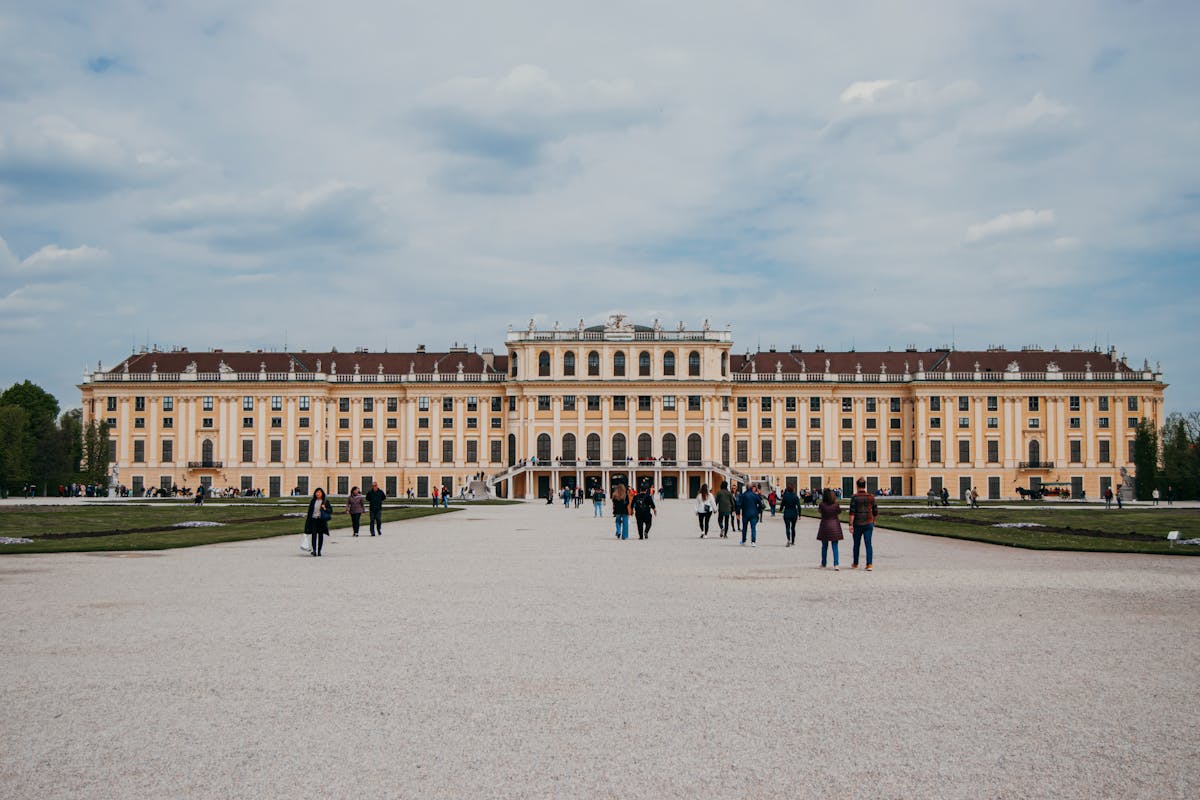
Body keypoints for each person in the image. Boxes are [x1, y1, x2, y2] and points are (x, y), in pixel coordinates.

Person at [848, 478, 878, 570]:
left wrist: (850, 524)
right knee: (868, 544)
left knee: (856, 544)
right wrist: (874, 520)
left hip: (857, 523)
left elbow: (852, 512)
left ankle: (855, 563)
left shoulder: (854, 497)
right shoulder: (871, 497)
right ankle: (869, 564)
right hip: (868, 522)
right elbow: (875, 510)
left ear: (857, 486)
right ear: (865, 486)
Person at [817, 488, 843, 569]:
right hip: (835, 526)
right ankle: (836, 564)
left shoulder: (822, 505)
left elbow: (820, 512)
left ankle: (824, 563)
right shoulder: (836, 505)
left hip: (825, 526)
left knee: (824, 546)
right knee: (835, 546)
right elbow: (839, 512)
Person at [305, 488, 332, 557]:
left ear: (322, 493)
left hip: (321, 520)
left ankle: (319, 551)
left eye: (319, 492)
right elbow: (310, 512)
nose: (318, 493)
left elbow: (330, 511)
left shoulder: (325, 501)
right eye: (317, 492)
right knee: (314, 535)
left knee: (320, 535)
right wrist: (308, 521)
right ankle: (314, 550)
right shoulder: (313, 501)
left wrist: (325, 508)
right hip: (314, 520)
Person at [780, 482, 800, 547]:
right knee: (793, 528)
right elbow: (799, 506)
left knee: (787, 527)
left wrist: (780, 509)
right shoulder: (795, 496)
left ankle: (788, 540)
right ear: (793, 489)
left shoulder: (785, 496)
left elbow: (782, 504)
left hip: (787, 513)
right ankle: (793, 541)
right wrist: (799, 514)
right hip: (794, 513)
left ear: (787, 490)